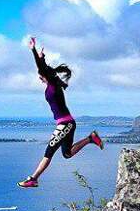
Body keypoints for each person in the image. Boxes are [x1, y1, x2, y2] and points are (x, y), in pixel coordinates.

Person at [18, 37, 104, 188]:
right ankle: (91, 138)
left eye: (41, 75)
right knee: (67, 154)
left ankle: (34, 178)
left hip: (65, 124)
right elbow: (43, 69)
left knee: (49, 151)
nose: (39, 77)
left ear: (45, 75)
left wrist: (33, 50)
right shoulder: (52, 85)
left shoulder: (52, 86)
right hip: (66, 123)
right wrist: (42, 58)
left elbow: (41, 69)